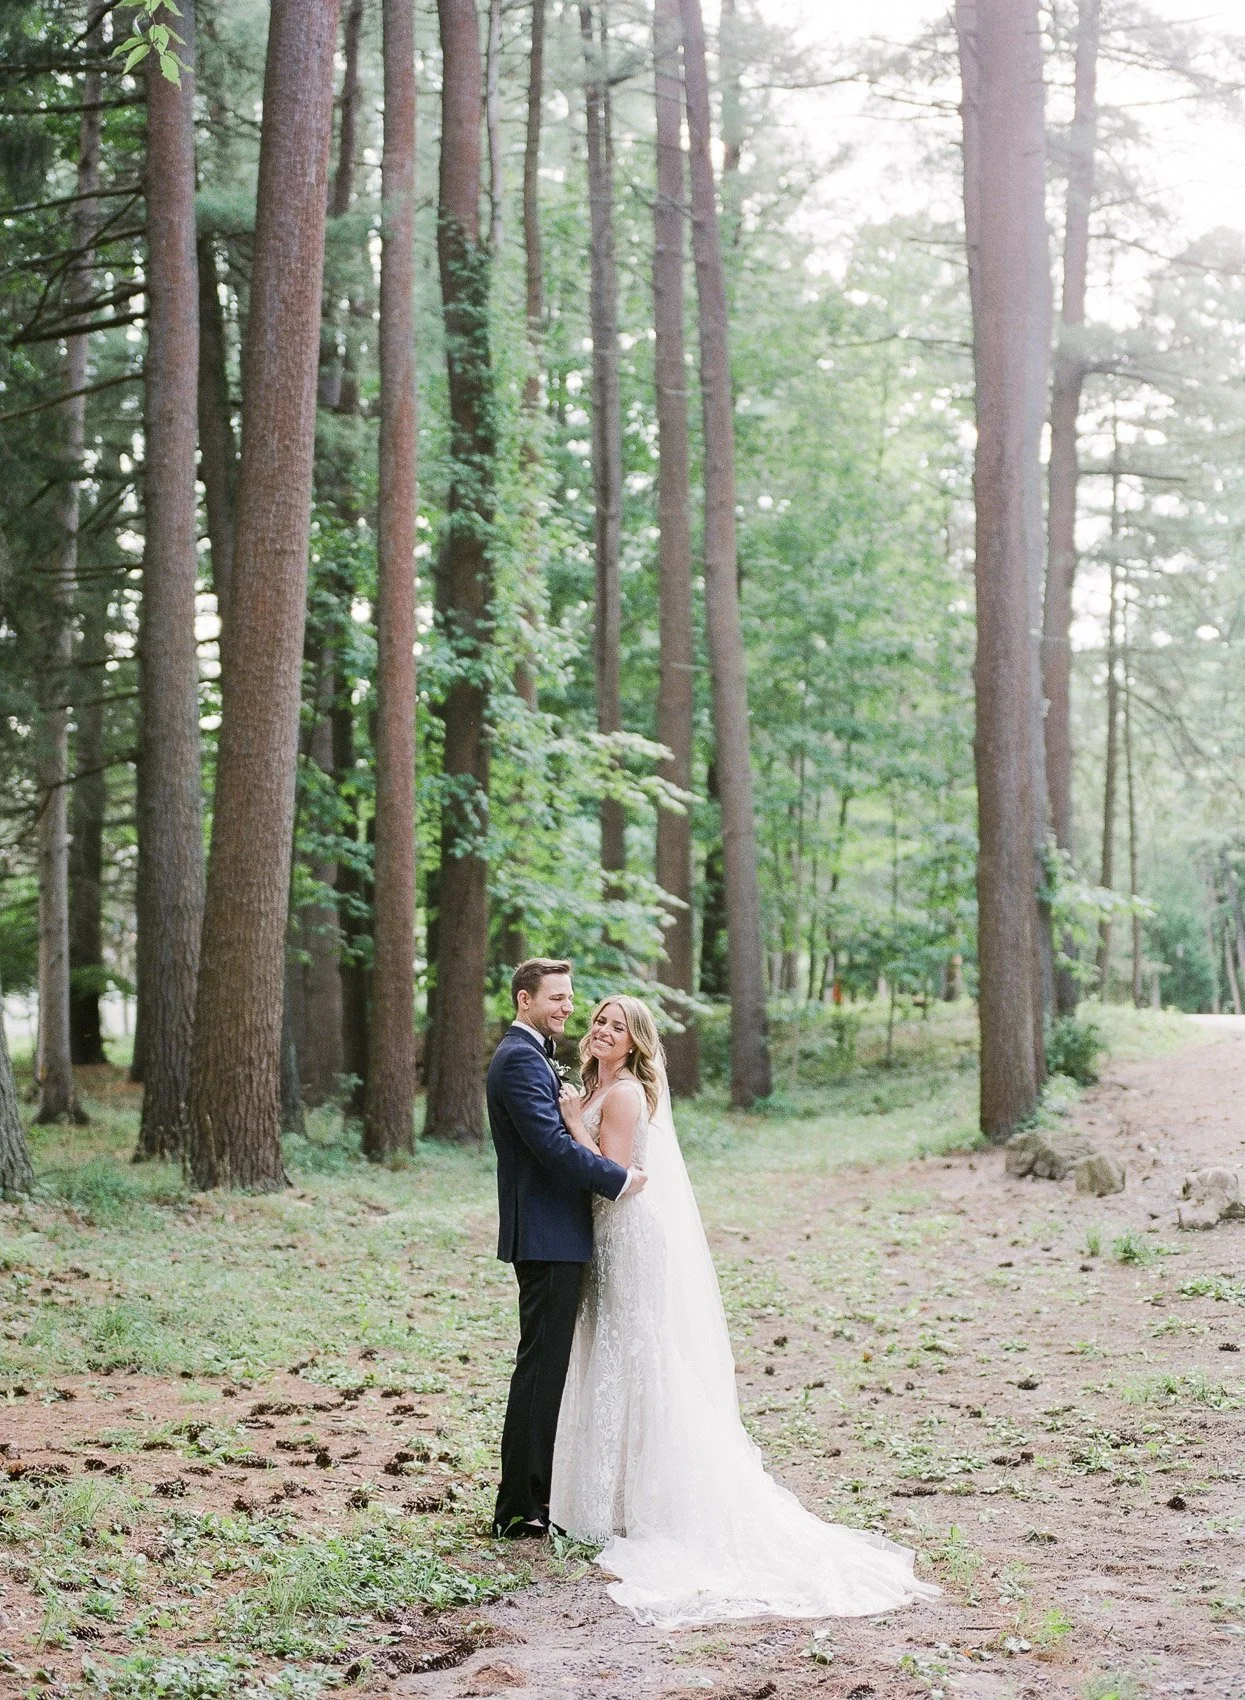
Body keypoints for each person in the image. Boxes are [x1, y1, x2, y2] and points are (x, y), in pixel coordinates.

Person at [552, 994, 940, 1628]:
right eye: (600, 1020)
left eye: (618, 1027)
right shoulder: (599, 1084)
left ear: (635, 1044)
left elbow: (614, 1174)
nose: (603, 1030)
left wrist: (571, 1122)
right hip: (602, 1238)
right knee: (613, 1354)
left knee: (638, 1356)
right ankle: (611, 1497)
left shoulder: (621, 1096)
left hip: (626, 1235)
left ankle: (639, 1503)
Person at [486, 959, 647, 1540]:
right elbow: (552, 1147)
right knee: (540, 1372)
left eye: (569, 997)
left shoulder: (533, 1056)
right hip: (549, 1236)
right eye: (555, 997)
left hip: (560, 1234)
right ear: (524, 999)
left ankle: (527, 1501)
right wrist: (618, 1180)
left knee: (545, 1370)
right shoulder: (518, 1061)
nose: (566, 1008)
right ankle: (522, 1509)